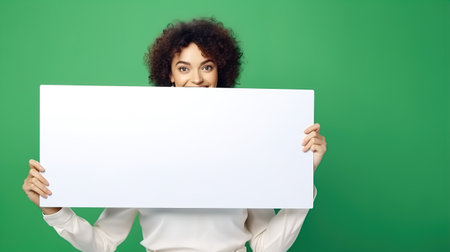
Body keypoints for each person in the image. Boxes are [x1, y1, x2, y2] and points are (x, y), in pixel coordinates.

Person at [23, 18, 327, 252]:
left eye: (207, 66)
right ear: (169, 74)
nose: (197, 79)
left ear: (220, 71)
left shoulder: (247, 143)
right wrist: (54, 209)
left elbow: (266, 246)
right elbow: (103, 241)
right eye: (184, 68)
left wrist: (301, 177)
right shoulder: (140, 145)